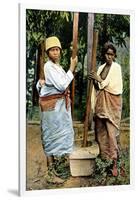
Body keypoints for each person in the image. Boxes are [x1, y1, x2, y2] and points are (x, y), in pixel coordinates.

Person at [36, 36, 78, 184]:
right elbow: (61, 85)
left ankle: (59, 168)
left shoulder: (57, 67)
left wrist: (41, 84)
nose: (55, 52)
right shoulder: (48, 66)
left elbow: (44, 84)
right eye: (52, 50)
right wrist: (72, 69)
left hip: (59, 108)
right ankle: (50, 174)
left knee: (62, 135)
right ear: (48, 53)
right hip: (52, 109)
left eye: (57, 50)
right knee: (51, 138)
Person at [88, 43, 123, 176]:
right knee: (100, 133)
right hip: (100, 104)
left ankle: (114, 163)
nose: (109, 57)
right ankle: (104, 161)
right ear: (104, 54)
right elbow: (97, 87)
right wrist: (95, 80)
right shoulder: (101, 67)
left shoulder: (116, 68)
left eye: (112, 54)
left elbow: (114, 87)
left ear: (114, 56)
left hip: (111, 105)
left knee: (111, 133)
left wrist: (98, 80)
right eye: (107, 54)